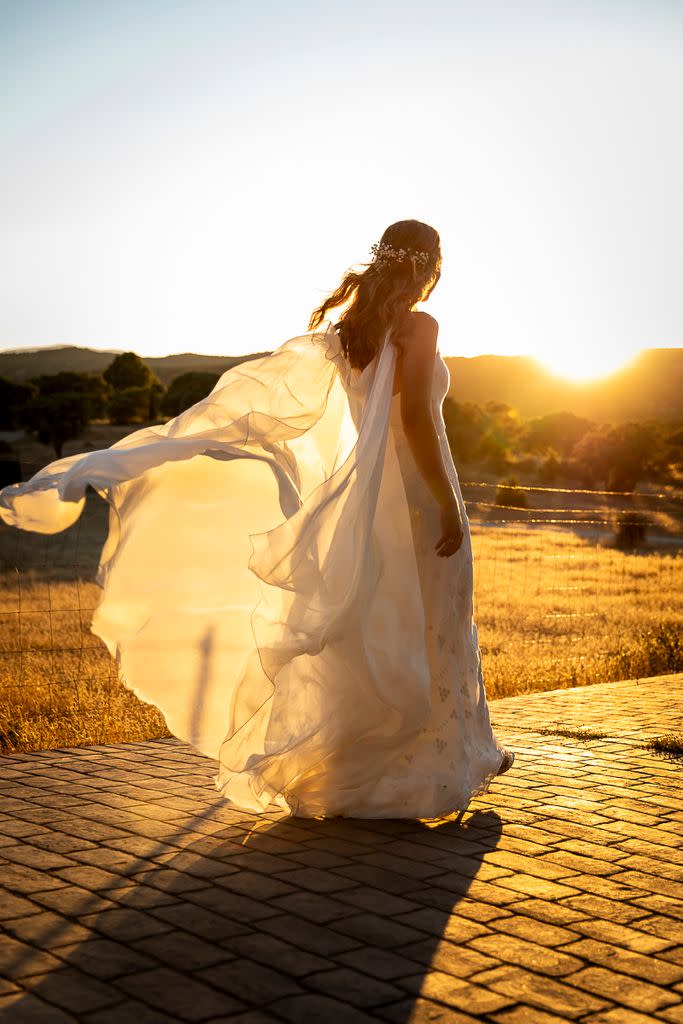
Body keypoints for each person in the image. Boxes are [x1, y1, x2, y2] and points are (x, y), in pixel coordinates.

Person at [0, 218, 514, 819]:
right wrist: (449, 501)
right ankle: (451, 756)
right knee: (439, 620)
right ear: (428, 266)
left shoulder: (353, 330)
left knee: (390, 622)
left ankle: (437, 755)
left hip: (375, 506)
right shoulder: (420, 327)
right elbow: (421, 423)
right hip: (422, 496)